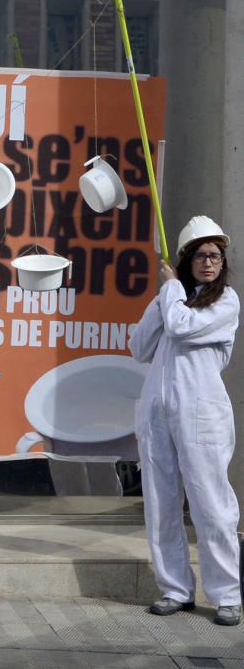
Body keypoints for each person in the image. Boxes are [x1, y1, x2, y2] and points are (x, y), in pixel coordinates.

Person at [129, 215, 242, 626]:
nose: (209, 262)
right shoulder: (171, 297)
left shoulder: (225, 301)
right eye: (201, 255)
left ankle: (227, 594)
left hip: (201, 415)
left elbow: (181, 327)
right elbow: (139, 347)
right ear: (186, 260)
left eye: (215, 255)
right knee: (160, 504)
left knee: (212, 505)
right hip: (158, 414)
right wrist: (163, 297)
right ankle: (175, 588)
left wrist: (171, 290)